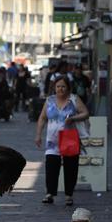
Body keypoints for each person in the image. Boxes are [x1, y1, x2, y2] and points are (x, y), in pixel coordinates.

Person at [35, 74, 90, 206]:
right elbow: (42, 118)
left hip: (69, 138)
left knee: (71, 167)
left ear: (68, 88)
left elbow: (85, 113)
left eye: (63, 87)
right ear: (54, 87)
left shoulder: (74, 99)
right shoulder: (49, 100)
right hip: (52, 141)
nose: (60, 89)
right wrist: (38, 134)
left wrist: (73, 118)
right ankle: (50, 193)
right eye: (58, 86)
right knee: (51, 166)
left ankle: (68, 194)